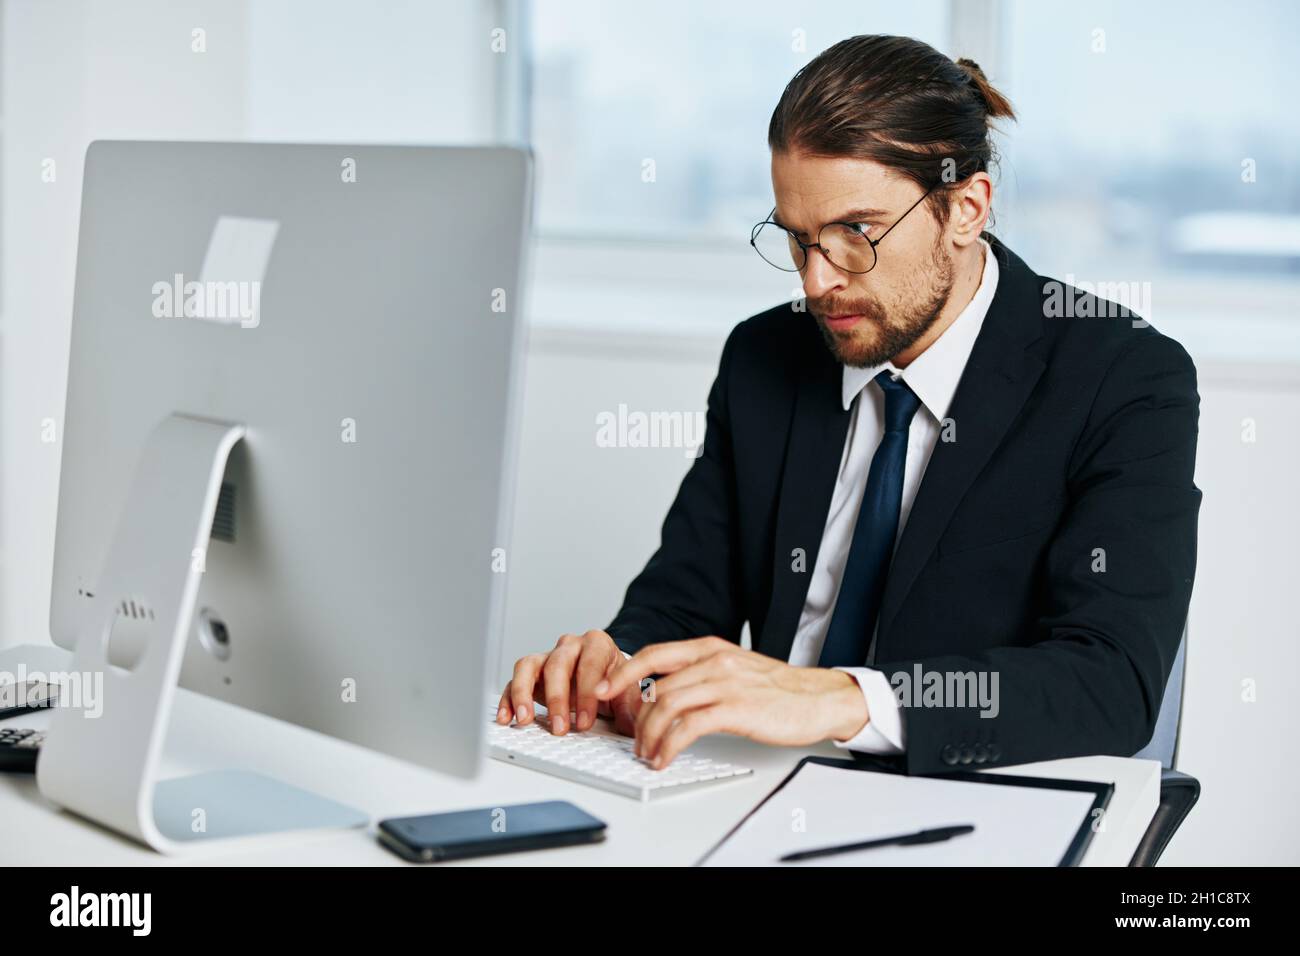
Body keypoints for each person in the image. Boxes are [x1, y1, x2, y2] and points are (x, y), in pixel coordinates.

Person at [498, 34, 1200, 775]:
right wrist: (620, 663)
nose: (815, 282)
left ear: (966, 207)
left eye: (855, 235)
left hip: (962, 799)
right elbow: (681, 601)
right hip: (747, 782)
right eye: (798, 240)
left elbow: (1110, 684)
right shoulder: (764, 357)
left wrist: (835, 700)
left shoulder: (1123, 379)